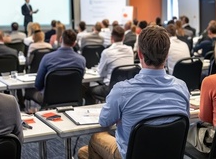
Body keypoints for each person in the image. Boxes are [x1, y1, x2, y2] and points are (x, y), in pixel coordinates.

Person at [77, 25, 190, 159]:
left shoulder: (122, 91)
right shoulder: (182, 87)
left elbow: (104, 122)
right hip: (168, 154)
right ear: (167, 54)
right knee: (84, 152)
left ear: (140, 53)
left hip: (132, 155)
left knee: (96, 138)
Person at [28, 30, 86, 103]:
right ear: (74, 43)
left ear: (61, 39)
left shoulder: (47, 58)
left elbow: (38, 85)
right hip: (73, 98)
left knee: (29, 92)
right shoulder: (81, 60)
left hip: (49, 98)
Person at [89, 26, 133, 98]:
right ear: (123, 37)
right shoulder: (130, 50)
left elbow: (100, 73)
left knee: (89, 90)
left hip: (111, 89)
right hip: (127, 89)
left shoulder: (107, 52)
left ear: (111, 38)